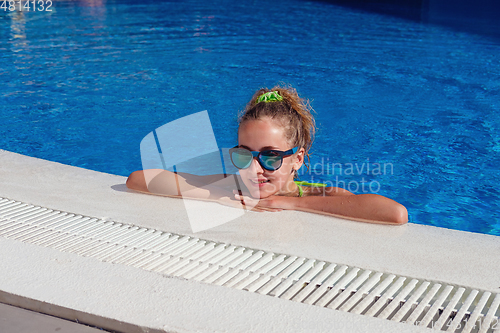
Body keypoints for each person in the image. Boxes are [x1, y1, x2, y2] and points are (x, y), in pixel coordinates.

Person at [126, 85, 408, 225]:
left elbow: (395, 214)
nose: (255, 168)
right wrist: (218, 196)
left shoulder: (311, 194)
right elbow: (138, 179)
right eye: (244, 155)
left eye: (271, 156)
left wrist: (287, 204)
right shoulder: (230, 187)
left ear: (297, 159)